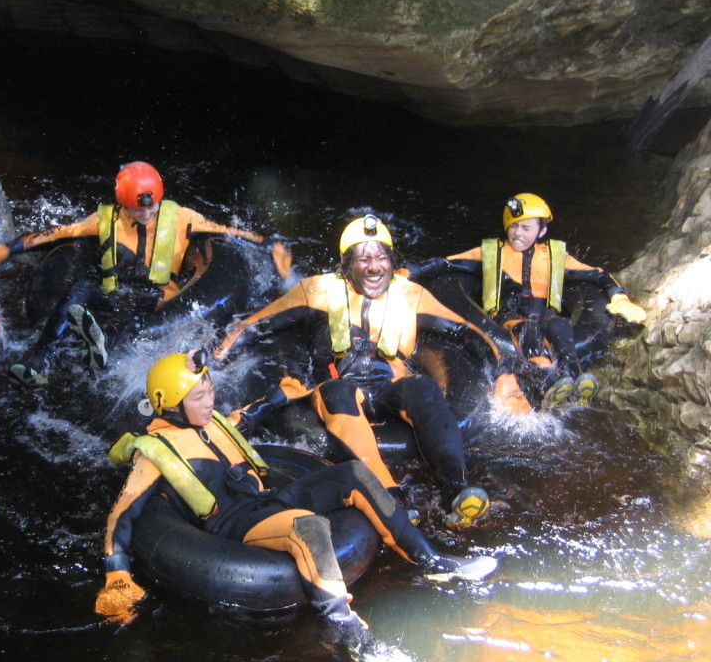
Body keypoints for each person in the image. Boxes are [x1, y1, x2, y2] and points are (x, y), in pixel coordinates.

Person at [94, 351, 498, 662]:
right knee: (308, 527)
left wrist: (279, 395)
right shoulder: (153, 453)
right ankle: (351, 633)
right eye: (198, 397)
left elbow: (243, 418)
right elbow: (123, 513)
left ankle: (431, 560)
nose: (209, 401)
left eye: (210, 390)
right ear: (170, 405)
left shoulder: (212, 420)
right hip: (236, 523)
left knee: (355, 474)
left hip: (269, 498)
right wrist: (117, 573)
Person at [216, 215, 530, 528]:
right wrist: (217, 355)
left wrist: (504, 376)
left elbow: (468, 333)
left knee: (421, 386)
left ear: (392, 261)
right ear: (346, 264)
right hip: (342, 390)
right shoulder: (318, 290)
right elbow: (256, 324)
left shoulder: (410, 294)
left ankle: (456, 489)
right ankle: (390, 496)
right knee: (335, 391)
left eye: (381, 256)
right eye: (363, 257)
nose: (374, 266)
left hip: (389, 390)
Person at [0, 161, 289, 385]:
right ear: (123, 204)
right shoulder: (105, 221)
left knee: (138, 302)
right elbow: (57, 235)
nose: (146, 213)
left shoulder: (184, 218)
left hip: (158, 298)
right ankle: (40, 358)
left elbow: (226, 231)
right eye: (138, 208)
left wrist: (268, 244)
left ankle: (103, 343)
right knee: (78, 289)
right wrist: (7, 250)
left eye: (151, 206)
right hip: (115, 292)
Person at [405, 193, 648, 407]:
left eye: (526, 228)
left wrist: (620, 297)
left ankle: (575, 378)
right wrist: (409, 271)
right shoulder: (489, 253)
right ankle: (547, 381)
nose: (518, 233)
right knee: (528, 331)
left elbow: (597, 275)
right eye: (514, 227)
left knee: (559, 326)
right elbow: (444, 263)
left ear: (541, 231)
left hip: (546, 315)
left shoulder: (555, 256)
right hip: (509, 320)